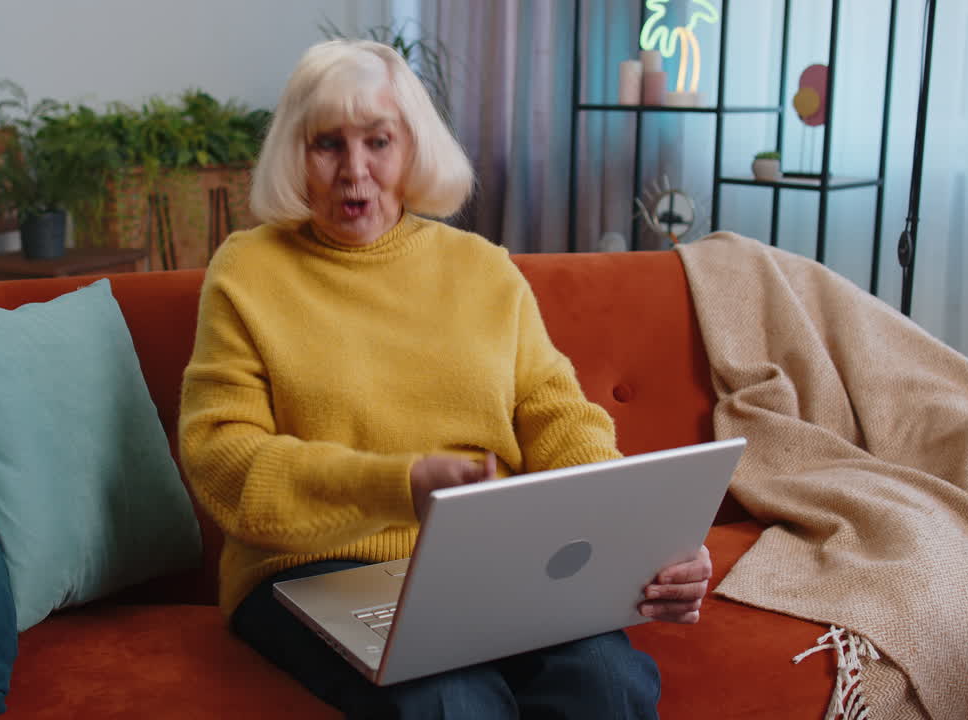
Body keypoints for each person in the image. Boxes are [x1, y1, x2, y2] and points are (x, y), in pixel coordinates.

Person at [179, 39, 712, 719]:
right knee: (450, 700)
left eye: (378, 141)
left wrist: (635, 535)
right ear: (294, 154)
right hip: (311, 567)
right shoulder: (248, 270)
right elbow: (223, 459)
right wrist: (401, 486)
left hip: (493, 562)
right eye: (328, 145)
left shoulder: (483, 268)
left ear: (413, 150)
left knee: (608, 683)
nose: (355, 171)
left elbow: (556, 416)